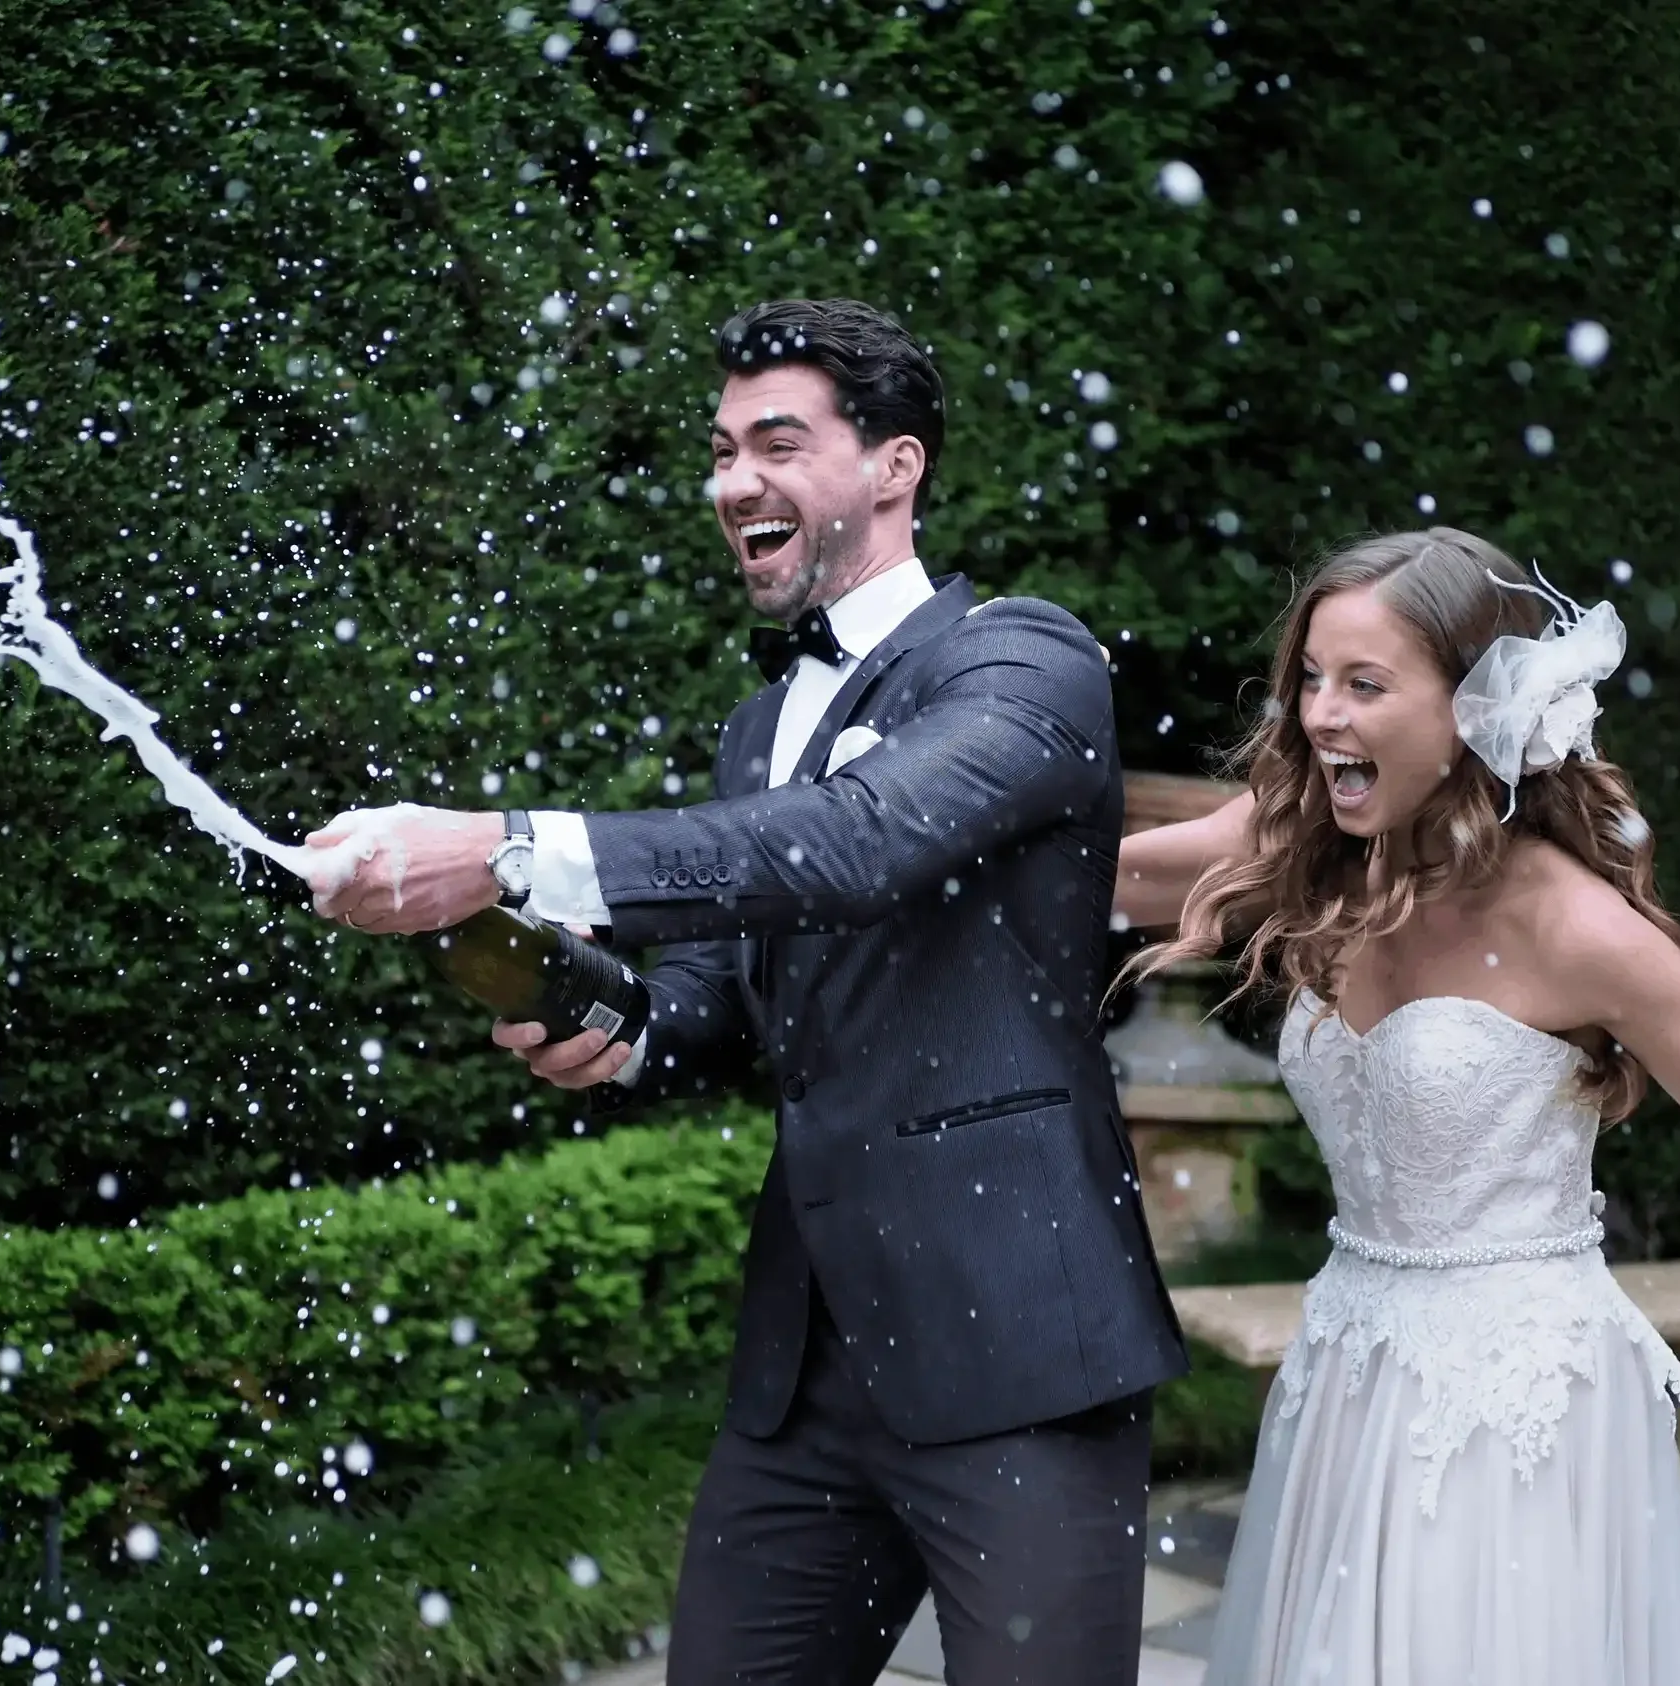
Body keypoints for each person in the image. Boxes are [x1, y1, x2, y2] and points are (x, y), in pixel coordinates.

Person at [305, 297, 1187, 1684]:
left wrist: (506, 842)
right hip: (807, 1367)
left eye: (777, 442)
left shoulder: (1025, 659)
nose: (732, 482)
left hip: (1021, 1340)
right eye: (720, 450)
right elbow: (714, 994)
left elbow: (856, 842)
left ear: (894, 466)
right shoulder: (755, 726)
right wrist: (610, 1014)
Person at [1112, 527, 1680, 1686]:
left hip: (1512, 1403)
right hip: (1348, 1371)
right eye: (1312, 681)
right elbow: (1104, 875)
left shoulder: (1579, 929)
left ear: (1473, 707)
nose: (1320, 716)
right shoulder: (1312, 847)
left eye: (1364, 685)